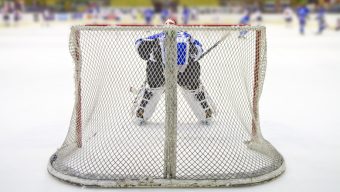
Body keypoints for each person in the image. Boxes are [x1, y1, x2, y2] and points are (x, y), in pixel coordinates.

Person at [132, 18, 215, 125]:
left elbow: (199, 48)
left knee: (192, 87)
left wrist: (193, 55)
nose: (168, 25)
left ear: (176, 26)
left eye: (171, 23)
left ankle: (205, 113)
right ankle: (141, 113)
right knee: (154, 88)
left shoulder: (185, 36)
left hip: (184, 68)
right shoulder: (159, 36)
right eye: (166, 23)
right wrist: (152, 54)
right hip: (160, 67)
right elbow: (139, 44)